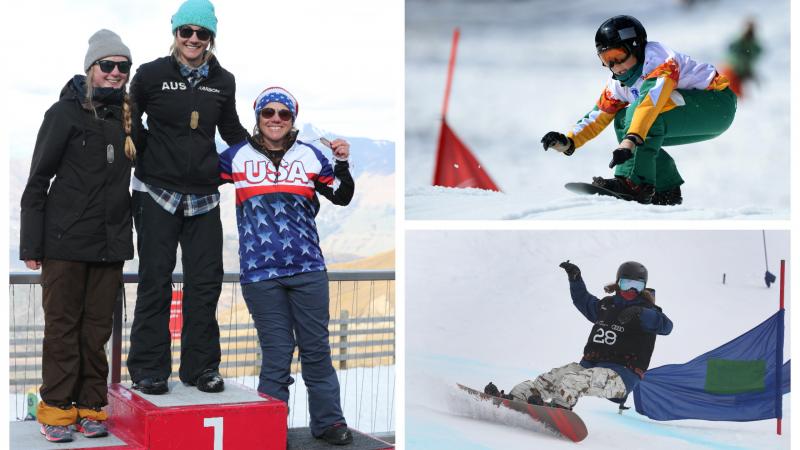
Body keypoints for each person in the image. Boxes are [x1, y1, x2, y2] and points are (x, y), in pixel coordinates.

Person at [218, 87, 355, 445]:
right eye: (268, 113)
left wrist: (341, 161)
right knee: (276, 355)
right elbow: (194, 181)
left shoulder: (309, 156)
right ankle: (269, 430)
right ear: (258, 117)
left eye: (284, 114)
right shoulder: (235, 157)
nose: (276, 119)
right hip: (261, 276)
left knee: (316, 351)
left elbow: (341, 194)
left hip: (308, 269)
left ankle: (328, 423)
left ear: (293, 119)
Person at [126, 0, 249, 395]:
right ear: (175, 33)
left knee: (205, 283)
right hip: (154, 193)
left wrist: (270, 156)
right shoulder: (149, 74)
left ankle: (201, 369)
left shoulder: (223, 80)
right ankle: (149, 369)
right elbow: (129, 121)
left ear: (211, 37)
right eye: (187, 31)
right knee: (154, 281)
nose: (194, 39)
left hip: (204, 197)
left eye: (202, 33)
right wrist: (148, 155)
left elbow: (230, 129)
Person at [19, 29, 135, 443]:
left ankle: (90, 408)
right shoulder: (63, 113)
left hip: (109, 245)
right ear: (91, 68)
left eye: (123, 66)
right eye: (108, 65)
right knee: (63, 329)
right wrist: (31, 244)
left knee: (96, 330)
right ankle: (56, 410)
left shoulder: (129, 117)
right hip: (63, 244)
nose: (116, 72)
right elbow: (37, 180)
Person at [541, 15, 737, 206]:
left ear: (635, 47)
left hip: (716, 104)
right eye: (607, 60)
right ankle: (664, 189)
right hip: (694, 115)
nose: (615, 66)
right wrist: (569, 141)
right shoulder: (619, 83)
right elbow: (599, 114)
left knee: (638, 115)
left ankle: (634, 184)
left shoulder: (659, 59)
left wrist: (630, 140)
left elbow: (650, 101)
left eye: (618, 56)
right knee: (621, 119)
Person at [485, 261, 673, 410]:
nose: (631, 291)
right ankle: (516, 399)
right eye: (626, 284)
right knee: (550, 379)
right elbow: (583, 300)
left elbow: (666, 326)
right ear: (618, 283)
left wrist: (641, 313)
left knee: (572, 382)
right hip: (590, 366)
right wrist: (575, 280)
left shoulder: (649, 312)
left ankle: (559, 409)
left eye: (636, 286)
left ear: (643, 288)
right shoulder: (607, 306)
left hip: (621, 376)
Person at [719, 19, 762, 98]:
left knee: (738, 96)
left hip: (741, 73)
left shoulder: (753, 45)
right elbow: (732, 53)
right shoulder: (738, 43)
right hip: (732, 71)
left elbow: (756, 53)